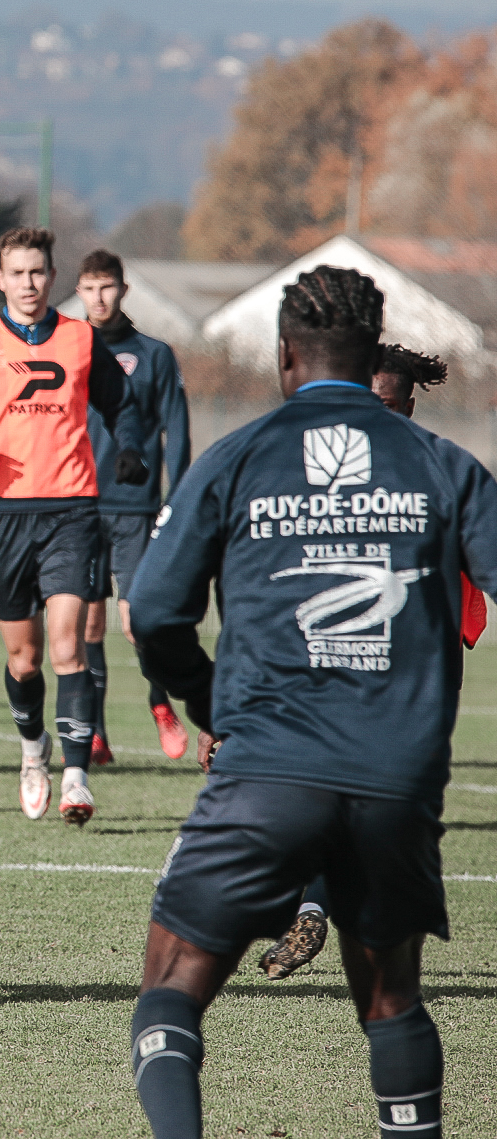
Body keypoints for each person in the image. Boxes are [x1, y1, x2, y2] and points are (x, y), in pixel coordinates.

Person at [126, 266, 497, 1139]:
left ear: (285, 354)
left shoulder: (240, 457)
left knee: (169, 990)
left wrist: (210, 698)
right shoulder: (447, 467)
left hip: (267, 766)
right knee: (392, 1002)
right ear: (374, 357)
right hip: (395, 780)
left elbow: (153, 611)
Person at [255, 342, 485, 982]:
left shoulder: (442, 475)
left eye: (387, 407)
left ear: (409, 406)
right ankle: (310, 902)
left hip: (414, 671)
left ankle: (316, 906)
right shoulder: (313, 478)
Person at [0, 227, 146, 826]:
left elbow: (123, 402)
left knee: (70, 648)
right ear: (1, 279)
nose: (29, 283)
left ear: (51, 276)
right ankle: (32, 749)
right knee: (25, 659)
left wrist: (127, 448)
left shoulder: (79, 339)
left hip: (72, 510)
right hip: (2, 516)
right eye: (18, 273)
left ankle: (76, 778)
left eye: (39, 272)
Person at [75, 249, 192, 763]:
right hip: (78, 505)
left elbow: (178, 430)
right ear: (78, 292)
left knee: (138, 618)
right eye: (88, 288)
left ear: (123, 290)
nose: (98, 298)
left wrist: (177, 499)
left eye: (107, 287)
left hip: (136, 507)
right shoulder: (67, 349)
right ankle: (96, 732)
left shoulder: (155, 355)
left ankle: (159, 703)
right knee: (89, 624)